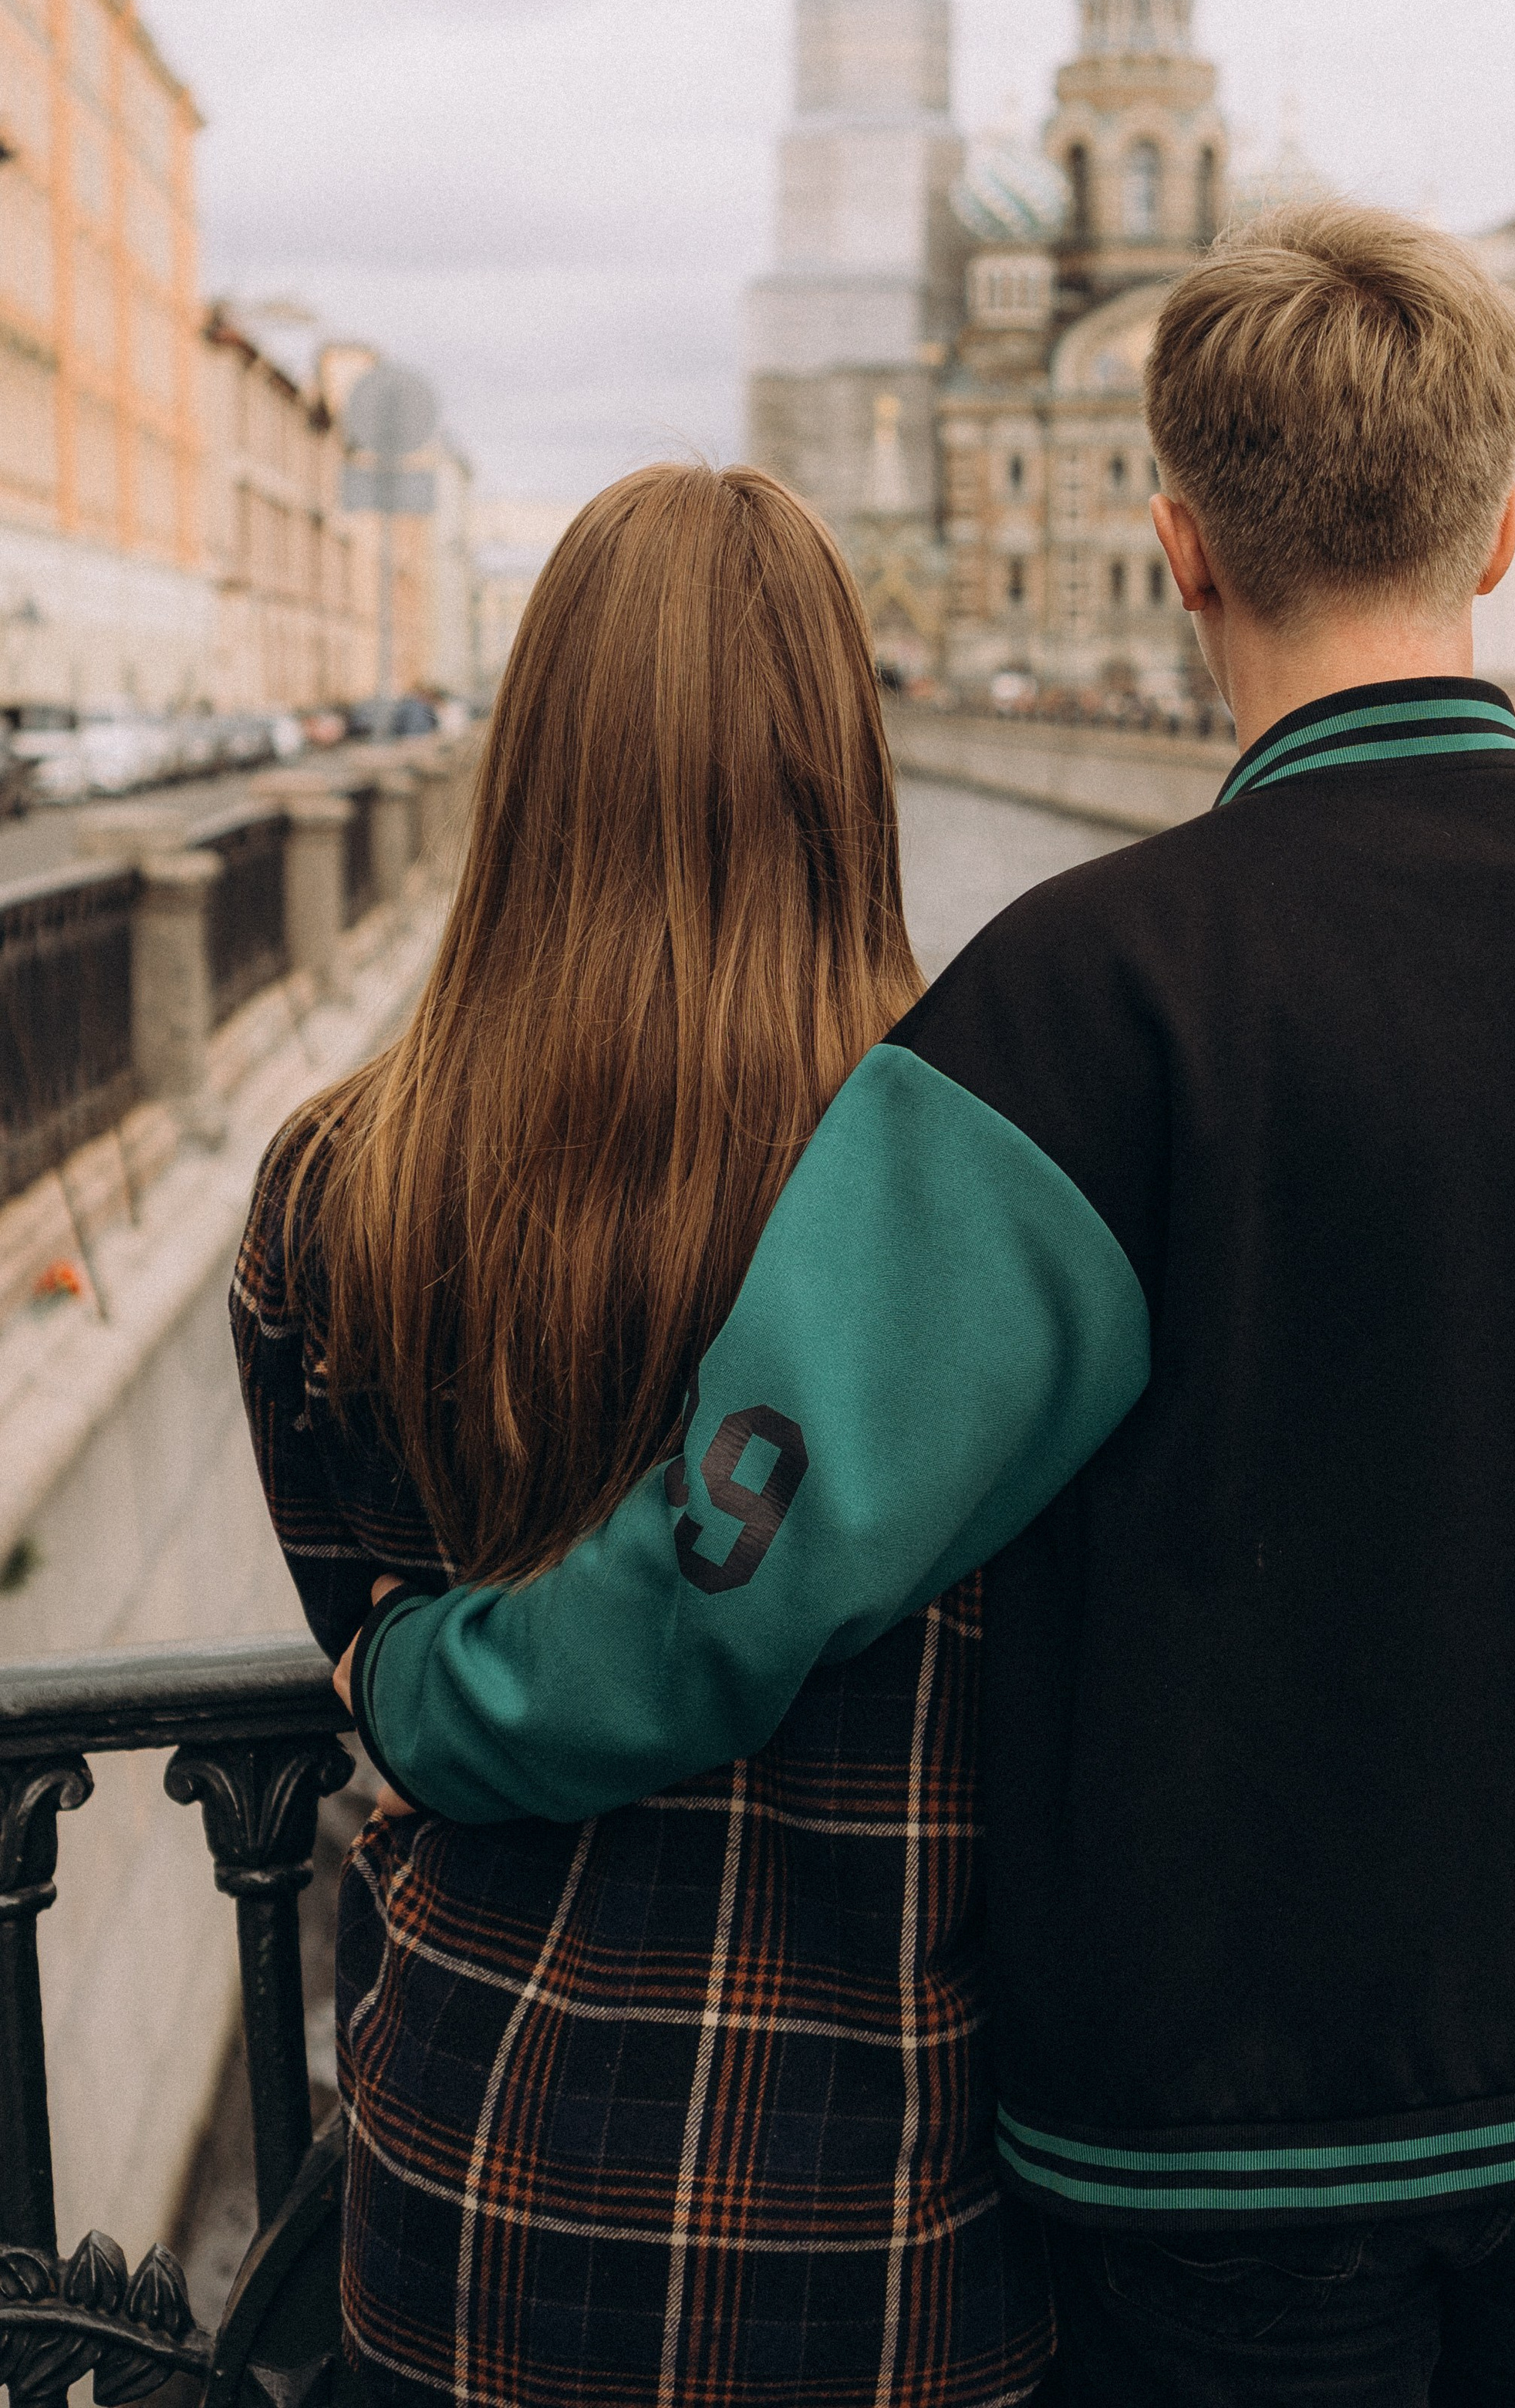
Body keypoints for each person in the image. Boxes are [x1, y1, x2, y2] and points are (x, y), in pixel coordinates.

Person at [338, 204, 1515, 2408]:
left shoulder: (1082, 1010)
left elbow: (767, 1539)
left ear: (1182, 549)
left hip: (1234, 2122)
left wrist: (439, 1689)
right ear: (1502, 532)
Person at [232, 464, 1054, 2408]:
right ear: (844, 760)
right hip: (892, 2229)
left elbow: (373, 1654)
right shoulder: (995, 1200)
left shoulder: (337, 1191)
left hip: (474, 2190)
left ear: (526, 764)